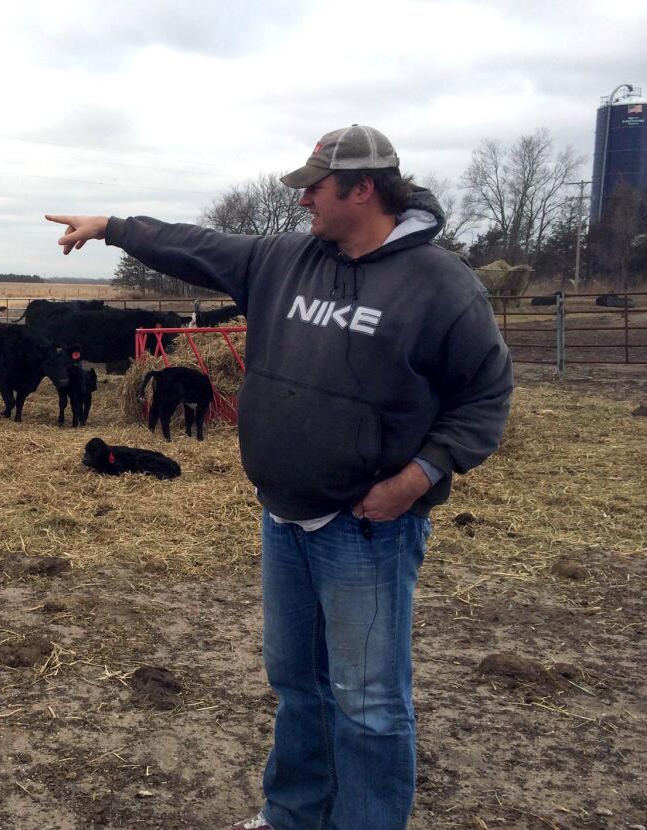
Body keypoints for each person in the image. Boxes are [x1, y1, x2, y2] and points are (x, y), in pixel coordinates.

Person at [46, 124, 513, 830]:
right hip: (283, 516)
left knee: (369, 704)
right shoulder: (287, 261)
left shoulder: (441, 287)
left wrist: (415, 479)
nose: (302, 203)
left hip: (367, 528)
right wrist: (113, 226)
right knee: (299, 685)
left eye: (314, 189)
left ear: (362, 188)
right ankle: (292, 815)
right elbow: (195, 246)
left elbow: (486, 398)